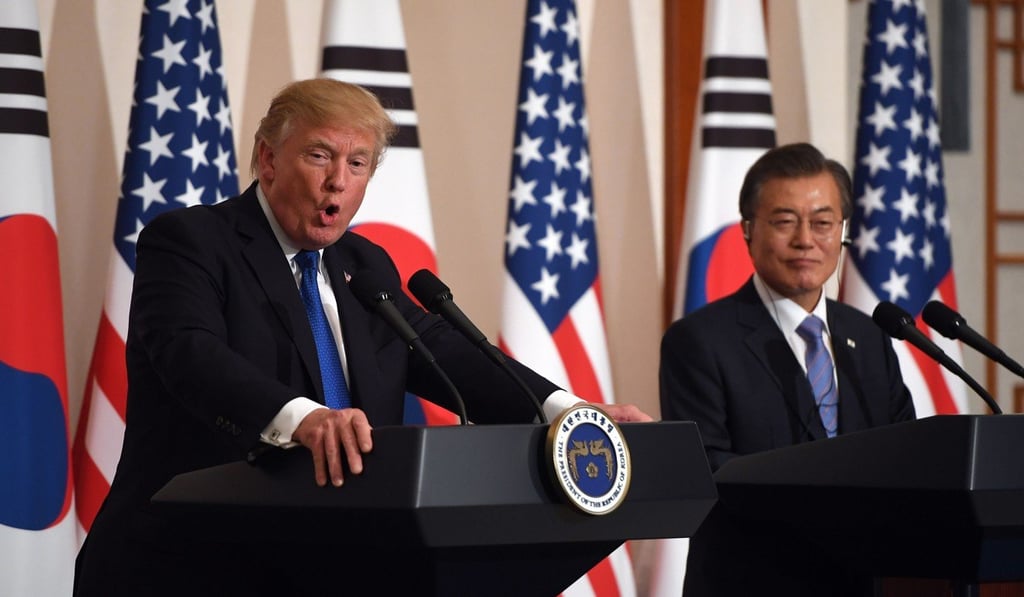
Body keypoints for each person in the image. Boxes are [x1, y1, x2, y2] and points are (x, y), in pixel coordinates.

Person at [73, 78, 651, 597]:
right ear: (268, 159)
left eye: (358, 164)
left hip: (331, 567)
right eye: (319, 155)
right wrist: (303, 418)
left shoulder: (363, 265)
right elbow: (189, 353)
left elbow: (441, 349)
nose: (338, 181)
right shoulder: (192, 241)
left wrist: (568, 415)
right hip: (188, 566)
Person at [660, 142, 916, 597]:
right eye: (784, 222)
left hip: (865, 581)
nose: (805, 240)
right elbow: (708, 470)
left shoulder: (870, 336)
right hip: (754, 582)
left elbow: (906, 450)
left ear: (842, 231)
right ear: (748, 230)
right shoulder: (699, 340)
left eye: (822, 223)